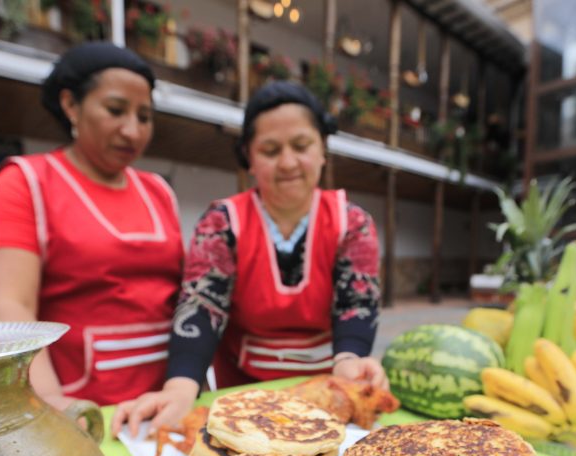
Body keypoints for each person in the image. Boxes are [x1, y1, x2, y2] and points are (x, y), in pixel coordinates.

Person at [113, 81, 387, 437]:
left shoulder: (353, 223)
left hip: (328, 391)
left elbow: (357, 301)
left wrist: (351, 360)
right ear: (250, 159)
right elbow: (201, 304)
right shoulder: (222, 223)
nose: (288, 162)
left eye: (302, 146)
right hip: (239, 397)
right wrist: (181, 386)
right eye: (270, 150)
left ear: (322, 150)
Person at [0, 42, 183, 411]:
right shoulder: (26, 183)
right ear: (70, 105)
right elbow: (10, 303)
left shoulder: (158, 191)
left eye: (144, 117)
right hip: (78, 408)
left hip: (161, 405)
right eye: (115, 110)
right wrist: (50, 402)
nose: (132, 130)